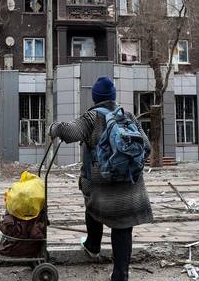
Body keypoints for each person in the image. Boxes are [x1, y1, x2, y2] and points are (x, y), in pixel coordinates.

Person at [48, 76, 153, 281]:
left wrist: (54, 128)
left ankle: (93, 246)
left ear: (95, 98)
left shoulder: (92, 117)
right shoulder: (128, 116)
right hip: (131, 186)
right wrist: (126, 164)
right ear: (113, 97)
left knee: (92, 207)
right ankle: (120, 274)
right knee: (122, 228)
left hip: (102, 186)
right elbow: (147, 147)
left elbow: (70, 132)